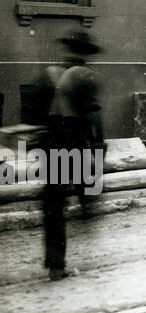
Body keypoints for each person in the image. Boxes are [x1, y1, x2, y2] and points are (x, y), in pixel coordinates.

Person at [33, 30, 105, 281]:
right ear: (86, 54)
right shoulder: (85, 75)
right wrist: (98, 145)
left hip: (50, 140)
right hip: (72, 140)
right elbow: (92, 116)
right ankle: (88, 207)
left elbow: (33, 112)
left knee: (53, 205)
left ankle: (55, 265)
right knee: (88, 180)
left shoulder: (48, 74)